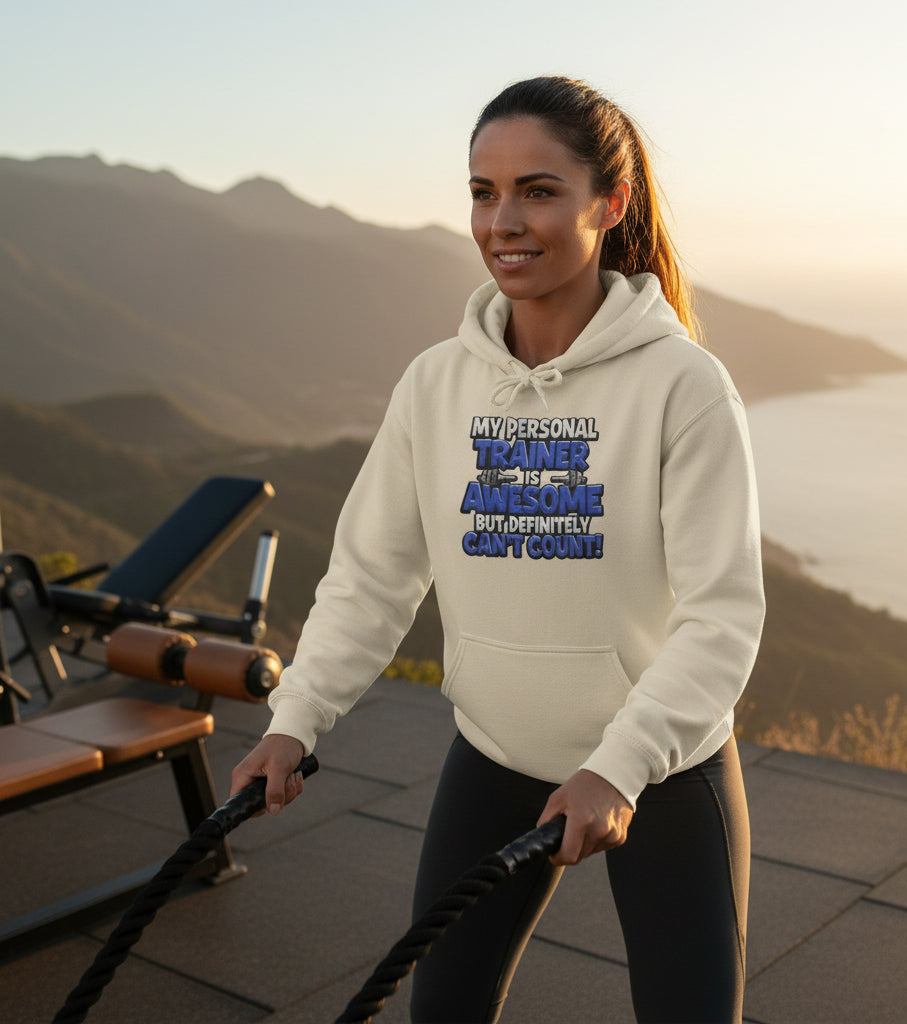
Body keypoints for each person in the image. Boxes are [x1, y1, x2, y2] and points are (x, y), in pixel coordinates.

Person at [231, 75, 765, 1023]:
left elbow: (721, 618)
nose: (502, 221)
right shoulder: (436, 386)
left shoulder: (684, 386)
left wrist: (620, 763)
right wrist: (293, 719)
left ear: (612, 202)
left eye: (539, 190)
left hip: (664, 777)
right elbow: (371, 577)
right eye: (483, 192)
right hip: (494, 757)